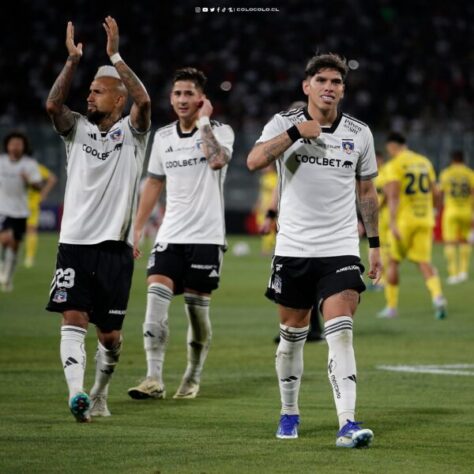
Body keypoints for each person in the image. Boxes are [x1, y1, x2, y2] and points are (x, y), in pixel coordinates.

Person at [247, 53, 380, 447]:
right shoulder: (282, 124)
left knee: (341, 333)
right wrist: (294, 134)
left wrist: (375, 245)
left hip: (340, 248)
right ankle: (289, 413)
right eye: (321, 80)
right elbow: (254, 160)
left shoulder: (360, 133)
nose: (329, 87)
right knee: (291, 336)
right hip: (293, 248)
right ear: (307, 86)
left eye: (336, 82)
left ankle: (348, 423)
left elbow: (367, 192)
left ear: (343, 89)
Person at [45, 17, 151, 422]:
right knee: (72, 319)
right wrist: (72, 62)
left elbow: (144, 103)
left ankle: (100, 392)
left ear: (118, 98)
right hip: (74, 243)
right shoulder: (76, 130)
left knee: (110, 336)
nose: (88, 96)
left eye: (97, 91)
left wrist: (115, 56)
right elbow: (54, 105)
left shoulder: (133, 132)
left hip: (115, 248)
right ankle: (77, 395)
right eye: (88, 90)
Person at [127, 68, 234, 401]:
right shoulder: (162, 137)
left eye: (189, 94)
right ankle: (153, 377)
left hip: (206, 237)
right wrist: (138, 226)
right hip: (170, 233)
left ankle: (192, 374)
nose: (182, 100)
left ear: (202, 98)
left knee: (196, 312)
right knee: (154, 300)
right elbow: (154, 183)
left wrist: (203, 122)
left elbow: (216, 161)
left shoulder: (221, 131)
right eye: (177, 94)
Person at [378, 132, 447, 319]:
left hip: (404, 222)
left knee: (393, 262)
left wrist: (392, 222)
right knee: (424, 262)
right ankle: (438, 297)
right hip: (425, 219)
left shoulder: (394, 165)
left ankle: (391, 307)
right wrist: (434, 212)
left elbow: (392, 194)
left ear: (392, 146)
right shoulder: (424, 162)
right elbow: (437, 192)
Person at [0, 132, 42, 291]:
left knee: (15, 245)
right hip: (3, 208)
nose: (15, 146)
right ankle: (2, 266)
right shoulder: (2, 162)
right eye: (13, 143)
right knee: (4, 239)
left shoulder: (29, 164)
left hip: (21, 210)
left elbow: (39, 187)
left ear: (23, 146)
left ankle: (8, 278)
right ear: (8, 146)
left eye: (19, 144)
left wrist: (29, 180)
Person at [439, 151, 474, 284]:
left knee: (450, 242)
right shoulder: (470, 173)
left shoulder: (446, 173)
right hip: (467, 211)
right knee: (465, 241)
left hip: (451, 211)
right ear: (463, 160)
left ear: (452, 160)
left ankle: (453, 274)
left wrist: (437, 208)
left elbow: (441, 193)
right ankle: (463, 272)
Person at [24, 163, 58, 268]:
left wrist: (43, 194)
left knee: (31, 229)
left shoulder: (35, 168)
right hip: (14, 204)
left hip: (30, 204)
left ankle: (29, 257)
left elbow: (52, 179)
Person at [368, 150, 390, 290]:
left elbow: (388, 194)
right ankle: (375, 280)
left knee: (383, 248)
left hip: (384, 216)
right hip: (374, 217)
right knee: (372, 246)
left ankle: (383, 281)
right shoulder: (371, 175)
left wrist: (379, 207)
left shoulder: (386, 173)